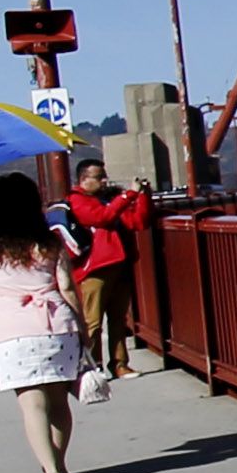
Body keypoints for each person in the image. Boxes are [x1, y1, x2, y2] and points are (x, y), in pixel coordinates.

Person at [0, 170, 88, 473]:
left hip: (12, 331)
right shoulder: (50, 243)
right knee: (59, 403)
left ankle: (50, 472)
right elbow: (66, 287)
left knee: (32, 406)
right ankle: (60, 462)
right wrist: (83, 328)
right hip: (56, 326)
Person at [65, 155, 151, 379]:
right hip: (96, 269)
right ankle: (93, 366)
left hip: (119, 263)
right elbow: (102, 217)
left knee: (118, 318)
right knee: (92, 321)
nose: (104, 181)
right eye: (99, 177)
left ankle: (119, 363)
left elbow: (137, 222)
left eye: (104, 177)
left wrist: (142, 196)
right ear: (84, 180)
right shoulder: (77, 201)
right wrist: (128, 195)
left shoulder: (108, 199)